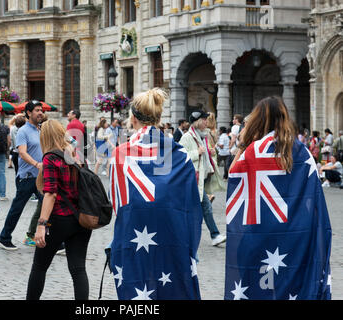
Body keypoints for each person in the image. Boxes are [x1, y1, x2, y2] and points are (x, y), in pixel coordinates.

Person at [225, 96, 332, 300]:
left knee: (256, 291)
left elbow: (233, 177)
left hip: (255, 235)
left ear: (258, 120)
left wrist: (243, 144)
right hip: (293, 239)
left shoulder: (252, 151)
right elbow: (313, 198)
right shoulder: (301, 152)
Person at [109, 88, 203, 300]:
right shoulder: (180, 155)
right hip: (172, 235)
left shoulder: (120, 154)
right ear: (160, 118)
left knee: (137, 291)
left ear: (133, 119)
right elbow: (191, 205)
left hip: (132, 233)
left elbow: (116, 203)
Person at [26, 119, 91, 300]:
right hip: (81, 219)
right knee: (78, 270)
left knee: (39, 267)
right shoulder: (75, 156)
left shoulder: (50, 158)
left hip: (59, 219)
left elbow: (50, 194)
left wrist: (41, 224)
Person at [0, 101, 45, 251]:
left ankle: (50, 239)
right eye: (37, 110)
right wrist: (37, 164)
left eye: (41, 110)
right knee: (17, 209)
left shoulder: (40, 130)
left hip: (40, 177)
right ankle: (5, 238)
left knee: (48, 206)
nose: (40, 113)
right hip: (27, 177)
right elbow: (22, 153)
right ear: (28, 113)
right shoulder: (23, 131)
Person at [179, 108, 227, 247]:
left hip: (201, 178)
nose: (207, 122)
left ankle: (191, 236)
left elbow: (205, 157)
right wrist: (197, 152)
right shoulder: (187, 137)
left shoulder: (203, 136)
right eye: (204, 120)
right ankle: (214, 235)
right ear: (198, 122)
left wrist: (210, 153)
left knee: (198, 209)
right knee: (205, 207)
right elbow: (181, 157)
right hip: (192, 179)